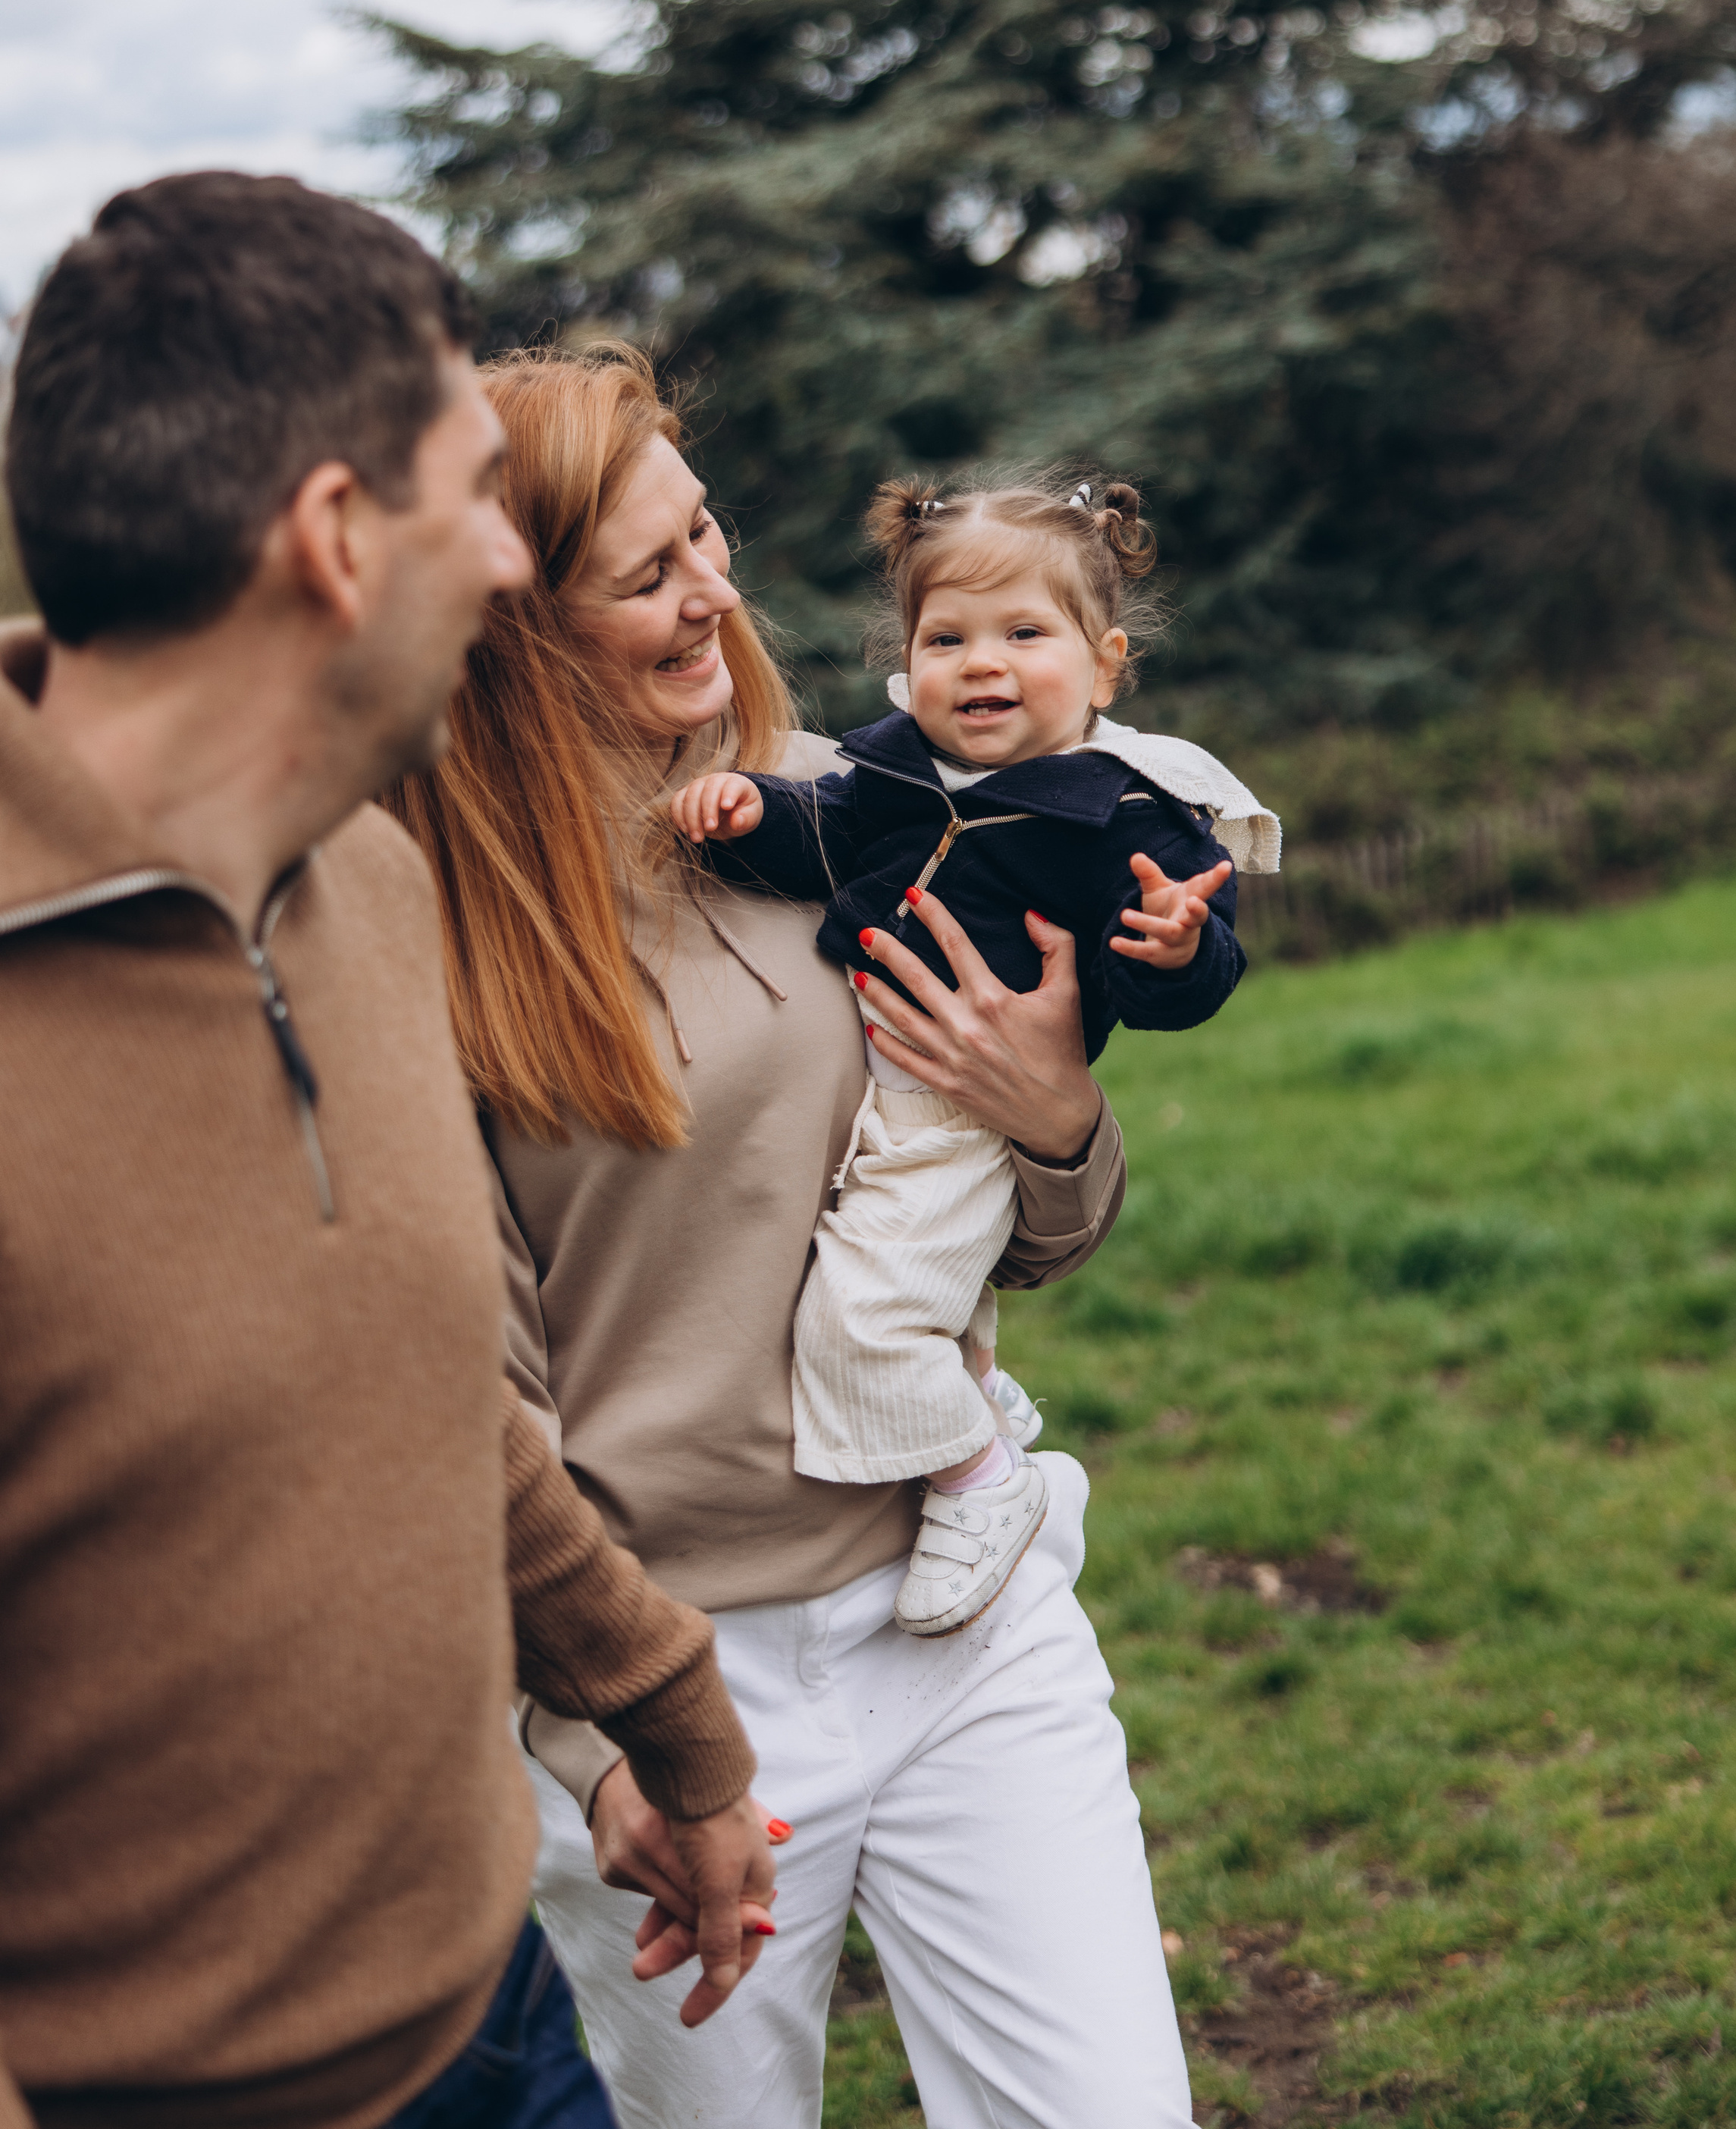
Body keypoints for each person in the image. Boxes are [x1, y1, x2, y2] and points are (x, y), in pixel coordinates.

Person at [0, 177, 775, 2129]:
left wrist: (674, 1734)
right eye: (475, 496)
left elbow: (417, 1380)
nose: (515, 566)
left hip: (496, 2019)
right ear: (339, 541)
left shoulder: (362, 881)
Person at [383, 341, 1202, 2129]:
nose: (712, 595)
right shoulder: (429, 945)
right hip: (679, 1682)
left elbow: (1014, 1229)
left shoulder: (861, 806)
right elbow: (464, 1400)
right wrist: (609, 1737)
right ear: (511, 614)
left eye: (711, 535)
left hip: (957, 1603)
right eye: (647, 572)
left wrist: (1054, 1117)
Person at [665, 473, 1277, 1638]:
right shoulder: (893, 774)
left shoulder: (1124, 815)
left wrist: (1170, 947)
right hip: (875, 1096)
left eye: (1022, 635)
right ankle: (972, 1399)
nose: (982, 663)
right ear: (907, 660)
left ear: (1103, 667)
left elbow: (1185, 985)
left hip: (963, 1119)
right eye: (947, 638)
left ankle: (980, 1486)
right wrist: (751, 813)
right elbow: (823, 844)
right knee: (871, 1278)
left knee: (860, 1323)